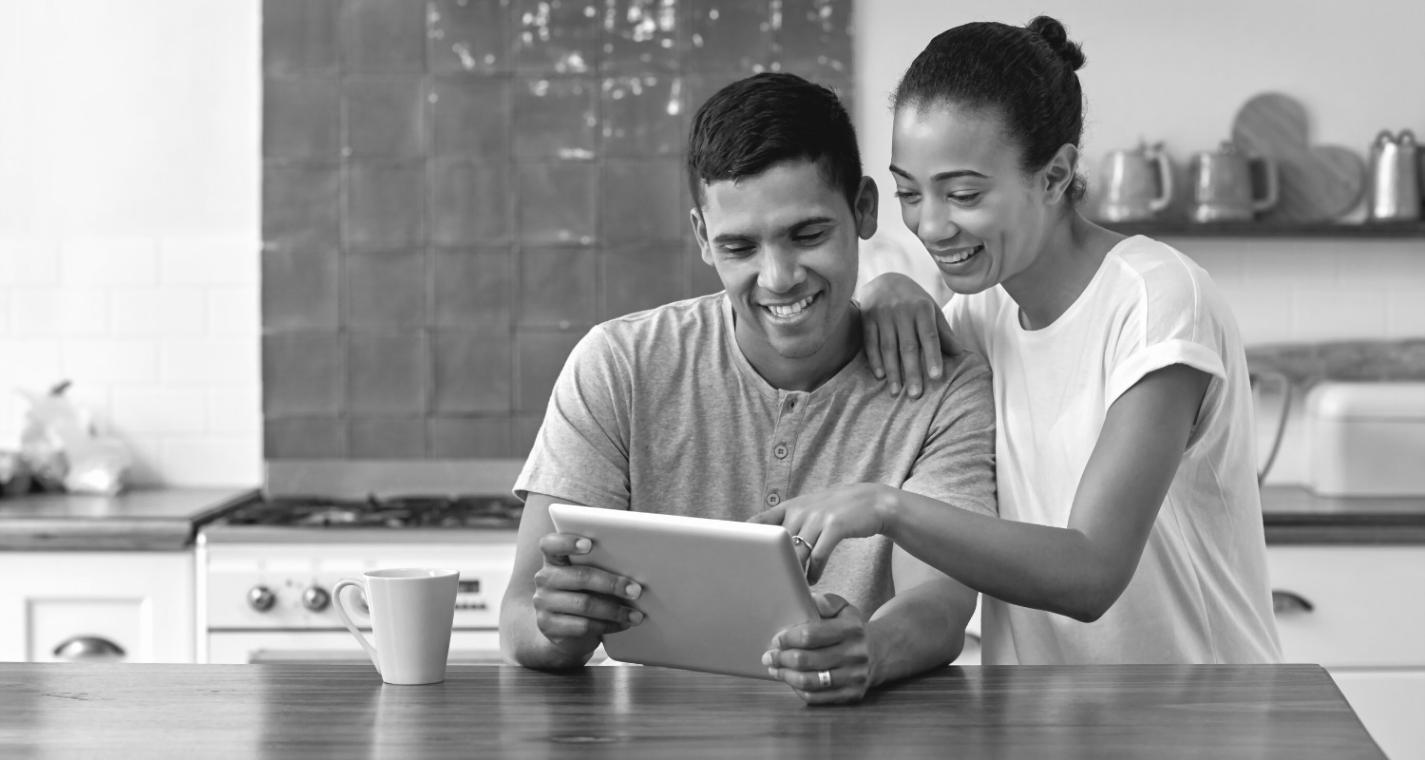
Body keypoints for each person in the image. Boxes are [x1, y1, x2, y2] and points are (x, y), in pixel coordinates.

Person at [753, 17, 1282, 665]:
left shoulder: (1155, 302)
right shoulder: (978, 312)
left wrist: (888, 508)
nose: (931, 224)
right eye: (908, 193)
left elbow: (1090, 573)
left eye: (964, 193)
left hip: (1196, 716)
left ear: (1055, 175)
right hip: (1041, 720)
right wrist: (889, 284)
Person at [498, 72, 997, 703]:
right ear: (704, 237)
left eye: (808, 234)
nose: (779, 277)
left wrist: (870, 649)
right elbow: (520, 617)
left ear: (864, 209)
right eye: (739, 245)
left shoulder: (944, 385)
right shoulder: (618, 365)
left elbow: (942, 603)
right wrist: (558, 631)